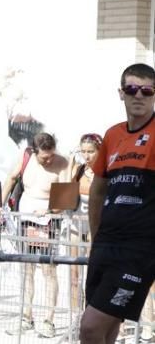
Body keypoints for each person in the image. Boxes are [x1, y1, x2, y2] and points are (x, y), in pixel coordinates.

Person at [24, 63, 155, 344]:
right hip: (107, 246)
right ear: (121, 93)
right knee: (105, 336)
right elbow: (96, 190)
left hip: (139, 250)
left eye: (148, 91)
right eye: (132, 89)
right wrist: (97, 239)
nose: (139, 96)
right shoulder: (113, 136)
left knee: (90, 328)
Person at [0, 132, 69, 338]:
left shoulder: (62, 163)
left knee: (48, 270)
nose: (48, 160)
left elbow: (65, 199)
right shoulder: (26, 156)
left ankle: (49, 320)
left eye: (51, 156)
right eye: (44, 157)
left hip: (49, 221)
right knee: (27, 269)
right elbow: (11, 179)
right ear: (34, 151)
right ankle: (26, 316)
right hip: (25, 219)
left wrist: (49, 211)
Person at [67, 133, 102, 317]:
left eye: (90, 152)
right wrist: (70, 165)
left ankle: (91, 313)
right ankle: (75, 316)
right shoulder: (79, 169)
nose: (87, 156)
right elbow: (63, 192)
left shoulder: (105, 171)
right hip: (75, 223)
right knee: (74, 274)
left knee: (92, 272)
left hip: (94, 225)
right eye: (83, 152)